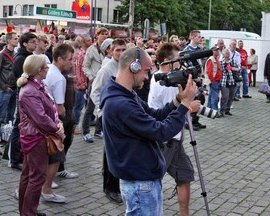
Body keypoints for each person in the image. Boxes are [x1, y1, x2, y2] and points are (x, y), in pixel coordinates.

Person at [101, 46, 201, 215]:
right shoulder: (121, 103)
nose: (148, 77)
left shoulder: (126, 94)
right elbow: (161, 132)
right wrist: (185, 106)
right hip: (140, 183)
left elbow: (155, 115)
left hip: (141, 181)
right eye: (146, 71)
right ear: (133, 67)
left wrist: (177, 100)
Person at [146, 44, 197, 216]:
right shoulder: (167, 83)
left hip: (172, 138)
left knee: (185, 175)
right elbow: (176, 110)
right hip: (166, 140)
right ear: (168, 61)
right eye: (178, 59)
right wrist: (190, 107)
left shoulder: (160, 77)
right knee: (152, 181)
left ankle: (184, 213)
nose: (181, 63)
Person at [15, 54, 63, 216]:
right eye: (45, 67)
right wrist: (57, 129)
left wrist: (56, 124)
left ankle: (27, 210)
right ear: (39, 70)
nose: (48, 69)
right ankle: (28, 213)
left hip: (34, 136)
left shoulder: (36, 86)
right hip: (36, 138)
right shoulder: (30, 91)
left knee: (29, 176)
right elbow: (40, 118)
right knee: (36, 178)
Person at [90, 39, 128, 203]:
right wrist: (105, 111)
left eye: (123, 50)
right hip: (111, 117)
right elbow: (95, 92)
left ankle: (118, 183)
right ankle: (110, 187)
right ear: (110, 51)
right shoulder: (106, 69)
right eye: (117, 50)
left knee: (120, 151)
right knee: (112, 152)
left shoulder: (125, 66)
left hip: (124, 115)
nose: (120, 53)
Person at [42, 43, 79, 203]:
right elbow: (60, 107)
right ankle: (46, 189)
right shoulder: (58, 78)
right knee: (56, 154)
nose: (72, 63)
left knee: (45, 155)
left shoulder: (50, 71)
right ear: (59, 59)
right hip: (55, 120)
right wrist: (62, 123)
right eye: (70, 60)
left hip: (46, 119)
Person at [9, 33, 40, 169]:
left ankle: (21, 156)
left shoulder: (28, 57)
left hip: (29, 95)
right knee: (19, 125)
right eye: (33, 42)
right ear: (25, 44)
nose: (35, 44)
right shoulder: (21, 59)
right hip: (23, 95)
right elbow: (21, 77)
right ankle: (15, 159)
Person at [80, 28, 109, 143]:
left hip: (105, 82)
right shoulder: (92, 49)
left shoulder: (108, 49)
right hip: (94, 82)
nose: (105, 36)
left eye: (106, 34)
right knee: (90, 108)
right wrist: (91, 78)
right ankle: (85, 132)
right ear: (97, 35)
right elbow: (85, 66)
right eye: (102, 34)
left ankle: (98, 130)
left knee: (103, 107)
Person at [0, 32, 18, 144]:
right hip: (5, 89)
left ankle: (6, 136)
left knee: (11, 115)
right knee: (0, 115)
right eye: (15, 38)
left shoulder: (16, 54)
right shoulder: (1, 55)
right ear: (8, 40)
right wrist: (4, 87)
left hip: (14, 87)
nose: (17, 40)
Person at [204, 45, 225, 114]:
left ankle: (209, 110)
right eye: (216, 50)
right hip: (214, 81)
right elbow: (209, 72)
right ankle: (215, 112)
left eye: (218, 50)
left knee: (211, 96)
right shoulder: (211, 60)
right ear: (212, 51)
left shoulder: (215, 59)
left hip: (216, 81)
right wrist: (212, 81)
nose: (217, 51)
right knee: (215, 97)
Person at [219, 49, 237, 116]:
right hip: (224, 82)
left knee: (231, 97)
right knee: (225, 97)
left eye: (228, 53)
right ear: (223, 55)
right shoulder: (221, 62)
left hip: (233, 81)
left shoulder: (233, 61)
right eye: (226, 53)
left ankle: (227, 110)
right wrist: (230, 68)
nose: (227, 54)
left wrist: (233, 68)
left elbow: (238, 68)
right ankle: (222, 111)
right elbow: (223, 70)